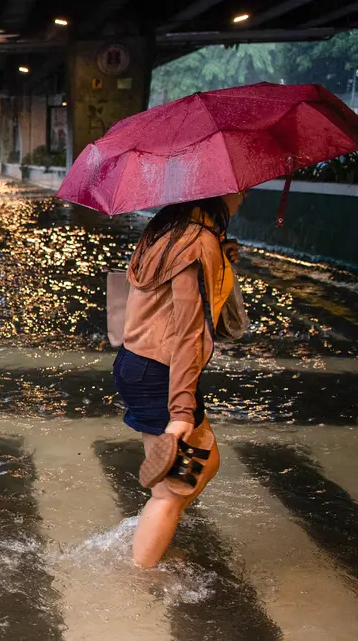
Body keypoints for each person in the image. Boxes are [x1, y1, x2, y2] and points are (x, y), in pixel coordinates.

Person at [114, 191, 246, 568]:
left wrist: (219, 258)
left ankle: (151, 533)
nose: (245, 196)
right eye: (243, 190)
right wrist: (182, 411)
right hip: (162, 372)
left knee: (206, 461)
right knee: (171, 491)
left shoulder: (165, 228)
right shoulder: (197, 242)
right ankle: (140, 576)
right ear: (218, 191)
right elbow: (189, 332)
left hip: (137, 362)